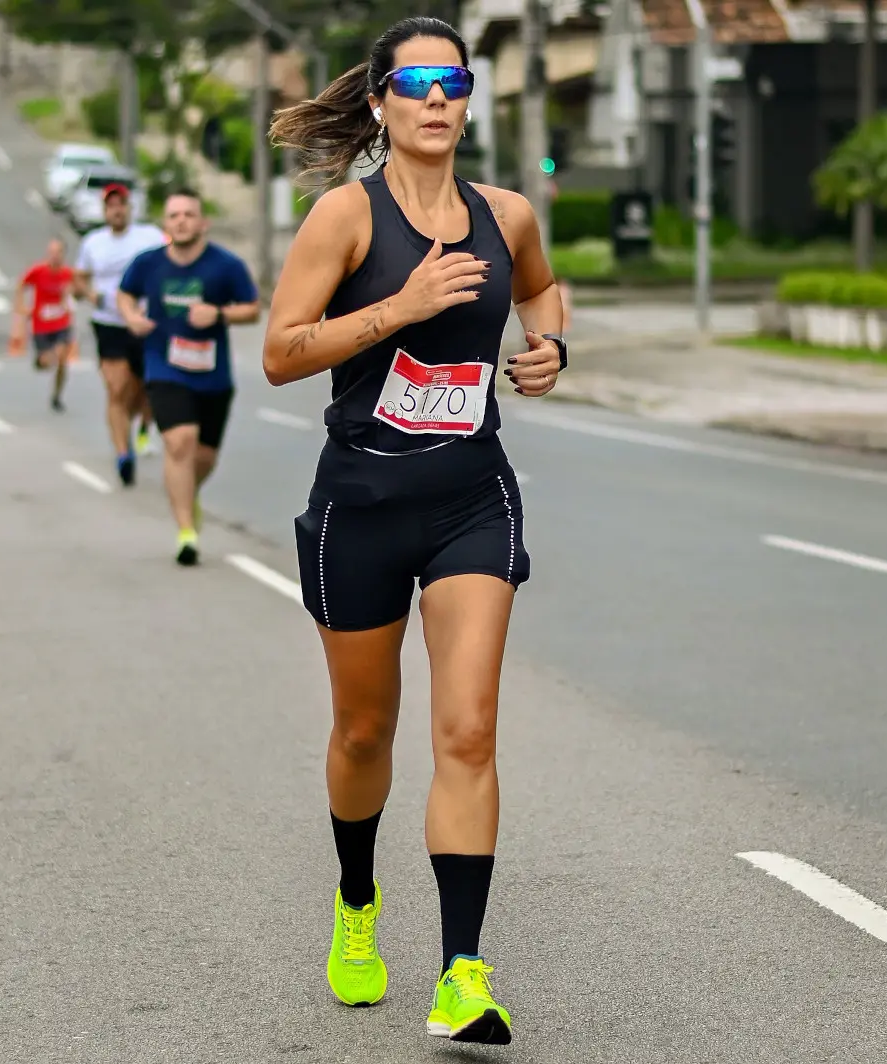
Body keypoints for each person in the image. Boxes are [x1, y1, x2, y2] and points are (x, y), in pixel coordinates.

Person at [264, 16, 567, 1045]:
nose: (437, 98)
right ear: (381, 102)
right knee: (364, 733)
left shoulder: (508, 215)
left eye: (454, 81)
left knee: (468, 729)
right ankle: (357, 902)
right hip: (361, 503)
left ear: (469, 100)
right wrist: (400, 306)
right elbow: (281, 354)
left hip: (470, 498)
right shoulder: (344, 218)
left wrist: (549, 346)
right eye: (417, 82)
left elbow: (541, 289)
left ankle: (461, 975)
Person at [117, 188, 259, 564]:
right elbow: (124, 295)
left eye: (188, 215)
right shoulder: (148, 263)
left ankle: (186, 494)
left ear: (203, 222)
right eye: (174, 215)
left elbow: (252, 309)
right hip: (164, 367)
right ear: (166, 223)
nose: (181, 221)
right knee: (180, 442)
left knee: (204, 457)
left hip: (213, 376)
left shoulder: (225, 265)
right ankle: (186, 534)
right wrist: (131, 317)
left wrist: (220, 314)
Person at [73, 183, 165, 486]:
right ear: (104, 211)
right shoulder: (93, 243)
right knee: (116, 388)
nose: (116, 210)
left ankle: (141, 425)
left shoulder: (149, 237)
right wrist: (91, 295)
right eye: (111, 205)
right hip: (109, 324)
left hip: (145, 323)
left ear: (129, 208)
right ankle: (123, 454)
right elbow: (79, 280)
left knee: (145, 389)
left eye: (121, 204)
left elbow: (171, 262)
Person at [13, 237, 73, 412]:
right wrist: (21, 307)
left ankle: (57, 395)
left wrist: (69, 299)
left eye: (58, 252)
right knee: (47, 362)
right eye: (52, 252)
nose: (55, 256)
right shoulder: (38, 271)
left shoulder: (68, 273)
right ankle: (42, 359)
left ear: (63, 254)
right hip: (41, 325)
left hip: (61, 322)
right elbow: (21, 284)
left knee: (62, 359)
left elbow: (76, 289)